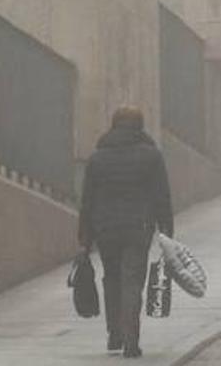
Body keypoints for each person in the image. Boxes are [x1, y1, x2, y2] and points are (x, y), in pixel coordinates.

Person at [78, 106, 174, 359]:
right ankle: (131, 338)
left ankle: (114, 333)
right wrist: (167, 231)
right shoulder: (151, 156)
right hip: (138, 227)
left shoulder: (98, 158)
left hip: (105, 228)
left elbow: (87, 200)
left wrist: (84, 240)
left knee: (111, 278)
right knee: (132, 280)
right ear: (140, 127)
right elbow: (162, 196)